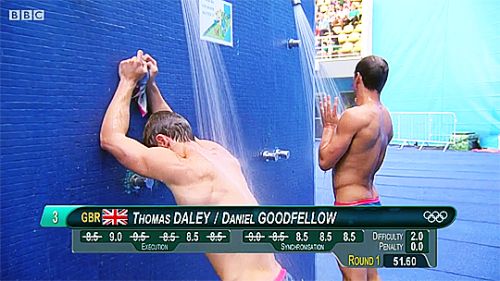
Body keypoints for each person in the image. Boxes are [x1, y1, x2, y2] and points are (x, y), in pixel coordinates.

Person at [100, 50, 294, 281]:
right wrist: (151, 84)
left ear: (162, 142)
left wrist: (128, 80)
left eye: (156, 148)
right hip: (281, 275)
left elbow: (110, 139)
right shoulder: (215, 151)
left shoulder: (184, 167)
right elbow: (168, 119)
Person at [318, 55, 392, 281]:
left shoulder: (354, 116)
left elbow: (324, 161)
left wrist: (329, 127)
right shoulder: (386, 117)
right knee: (371, 275)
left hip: (351, 207)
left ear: (357, 78)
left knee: (354, 277)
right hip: (372, 202)